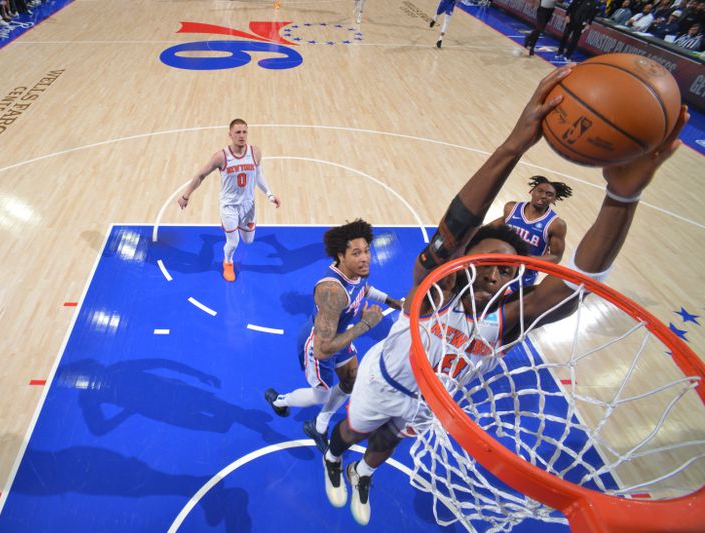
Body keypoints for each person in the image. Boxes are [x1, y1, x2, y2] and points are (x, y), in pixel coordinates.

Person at [318, 66, 687, 526]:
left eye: (508, 267)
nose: (496, 271)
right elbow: (454, 229)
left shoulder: (509, 320)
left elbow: (579, 281)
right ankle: (335, 458)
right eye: (488, 258)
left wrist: (623, 197)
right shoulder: (434, 294)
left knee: (386, 445)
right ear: (462, 263)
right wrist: (515, 144)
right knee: (353, 430)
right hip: (384, 383)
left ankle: (362, 472)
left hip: (432, 400)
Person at [265, 219, 403, 453]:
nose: (365, 258)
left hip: (339, 336)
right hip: (318, 343)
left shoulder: (356, 272)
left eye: (367, 251)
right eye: (356, 253)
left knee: (350, 381)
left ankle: (318, 426)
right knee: (321, 396)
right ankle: (281, 401)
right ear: (341, 256)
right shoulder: (332, 292)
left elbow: (364, 288)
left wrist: (392, 301)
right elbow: (323, 349)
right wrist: (366, 324)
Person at [177, 119, 281, 282]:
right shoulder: (221, 156)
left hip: (248, 206)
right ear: (230, 134)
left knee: (248, 241)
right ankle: (228, 262)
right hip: (229, 206)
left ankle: (218, 236)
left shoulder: (255, 152)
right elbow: (200, 175)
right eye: (238, 132)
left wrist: (269, 194)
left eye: (244, 132)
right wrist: (186, 195)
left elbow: (258, 175)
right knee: (233, 242)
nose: (241, 135)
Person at [491, 175, 572, 286]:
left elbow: (556, 256)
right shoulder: (511, 208)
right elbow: (493, 228)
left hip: (524, 275)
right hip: (497, 264)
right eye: (540, 191)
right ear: (532, 191)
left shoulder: (556, 224)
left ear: (554, 199)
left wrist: (528, 259)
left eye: (549, 194)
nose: (543, 196)